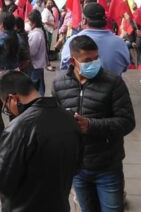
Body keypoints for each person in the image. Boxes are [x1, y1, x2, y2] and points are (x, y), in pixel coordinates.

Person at [54, 35, 135, 212]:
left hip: (107, 166)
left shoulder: (113, 82)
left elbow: (127, 122)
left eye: (96, 58)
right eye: (87, 60)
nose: (94, 63)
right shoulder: (59, 84)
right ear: (73, 61)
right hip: (77, 168)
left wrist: (90, 126)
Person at [0, 72, 82, 212]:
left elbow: (2, 182)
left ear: (12, 98)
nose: (9, 110)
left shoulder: (19, 128)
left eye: (6, 105)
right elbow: (77, 165)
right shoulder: (69, 118)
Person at [59, 3, 131, 75]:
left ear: (84, 20)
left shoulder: (73, 41)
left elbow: (65, 68)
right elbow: (124, 67)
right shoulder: (120, 42)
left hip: (81, 82)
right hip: (115, 81)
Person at [26, 10, 48, 95]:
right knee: (39, 86)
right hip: (38, 65)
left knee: (36, 89)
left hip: (35, 65)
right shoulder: (38, 32)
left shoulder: (35, 34)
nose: (28, 23)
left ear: (34, 23)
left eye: (29, 21)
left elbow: (32, 52)